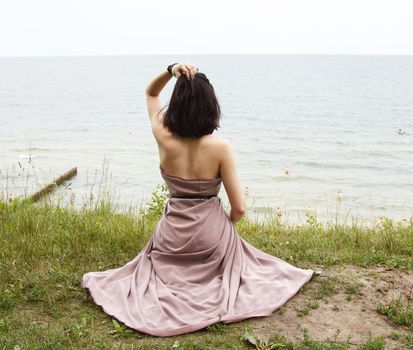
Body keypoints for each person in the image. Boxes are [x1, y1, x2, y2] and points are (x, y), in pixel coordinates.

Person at [81, 62, 315, 337]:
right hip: (211, 236)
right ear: (210, 106)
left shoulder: (163, 137)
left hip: (171, 236)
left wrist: (171, 71)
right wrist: (223, 229)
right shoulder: (220, 148)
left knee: (163, 267)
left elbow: (151, 94)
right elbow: (239, 208)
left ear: (177, 106)